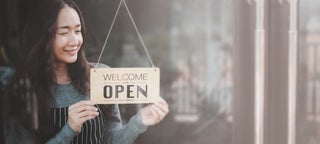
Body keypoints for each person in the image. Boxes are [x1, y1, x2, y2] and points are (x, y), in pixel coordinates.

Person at [2, 0, 169, 143]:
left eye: (77, 30)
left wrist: (139, 122)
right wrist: (70, 129)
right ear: (43, 38)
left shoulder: (100, 75)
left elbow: (111, 140)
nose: (74, 41)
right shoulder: (24, 89)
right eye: (63, 32)